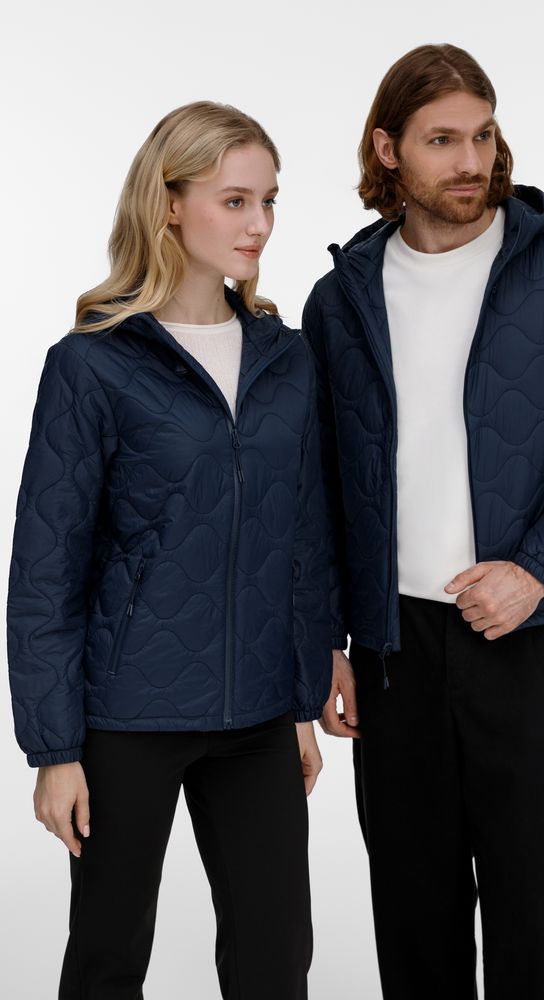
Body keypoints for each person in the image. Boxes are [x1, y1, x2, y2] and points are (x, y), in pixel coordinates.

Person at [302, 43, 544, 1000]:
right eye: (441, 140)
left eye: (483, 135)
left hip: (532, 633)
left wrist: (534, 569)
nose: (470, 161)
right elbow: (319, 486)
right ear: (387, 149)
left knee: (536, 920)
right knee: (412, 921)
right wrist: (326, 639)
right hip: (393, 651)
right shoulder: (340, 301)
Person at [7, 100, 331, 1000]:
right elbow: (46, 569)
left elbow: (303, 539)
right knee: (107, 960)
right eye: (235, 201)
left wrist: (301, 698)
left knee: (275, 964)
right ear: (170, 204)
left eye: (268, 200)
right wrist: (54, 749)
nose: (259, 223)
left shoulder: (288, 359)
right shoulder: (93, 364)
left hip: (257, 717)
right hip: (126, 718)